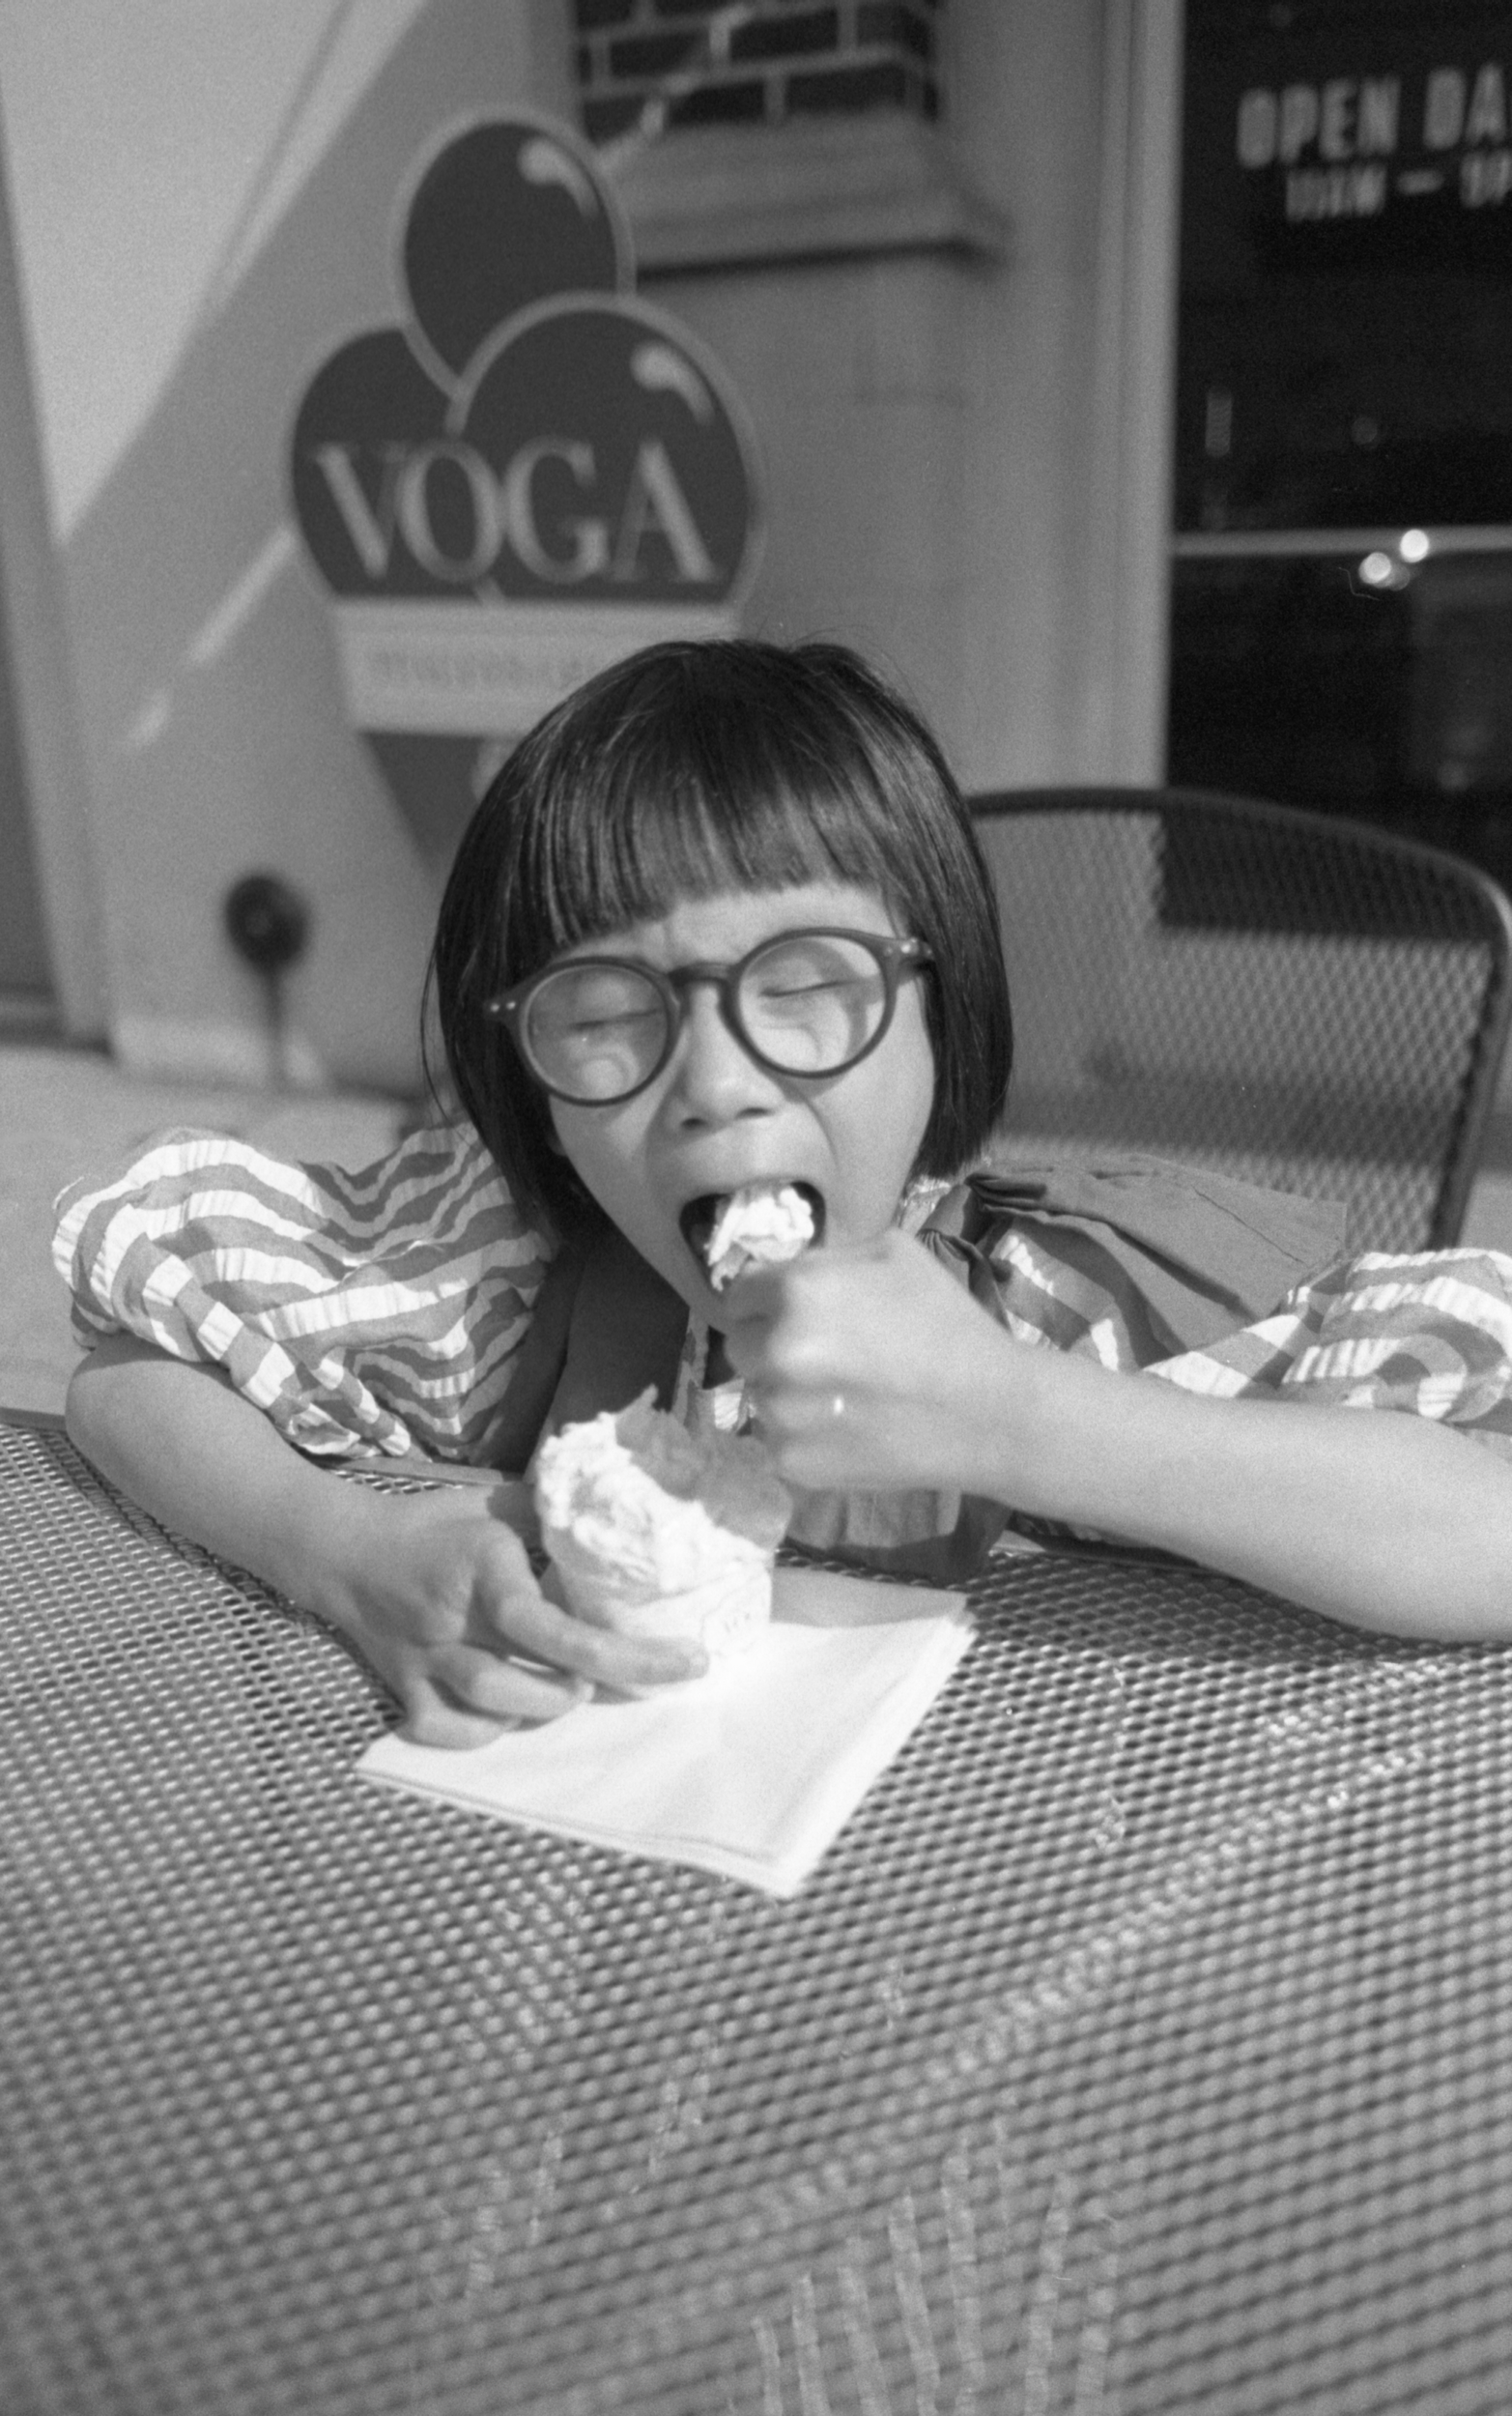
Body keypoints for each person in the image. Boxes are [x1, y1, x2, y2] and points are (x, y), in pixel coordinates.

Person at [58, 640, 1512, 1747]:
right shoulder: (498, 1285)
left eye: (810, 986)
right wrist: (346, 1552)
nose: (716, 1082)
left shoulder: (1089, 1307)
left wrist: (1020, 1417)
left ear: (945, 1020)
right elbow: (125, 1375)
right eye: (607, 1008)